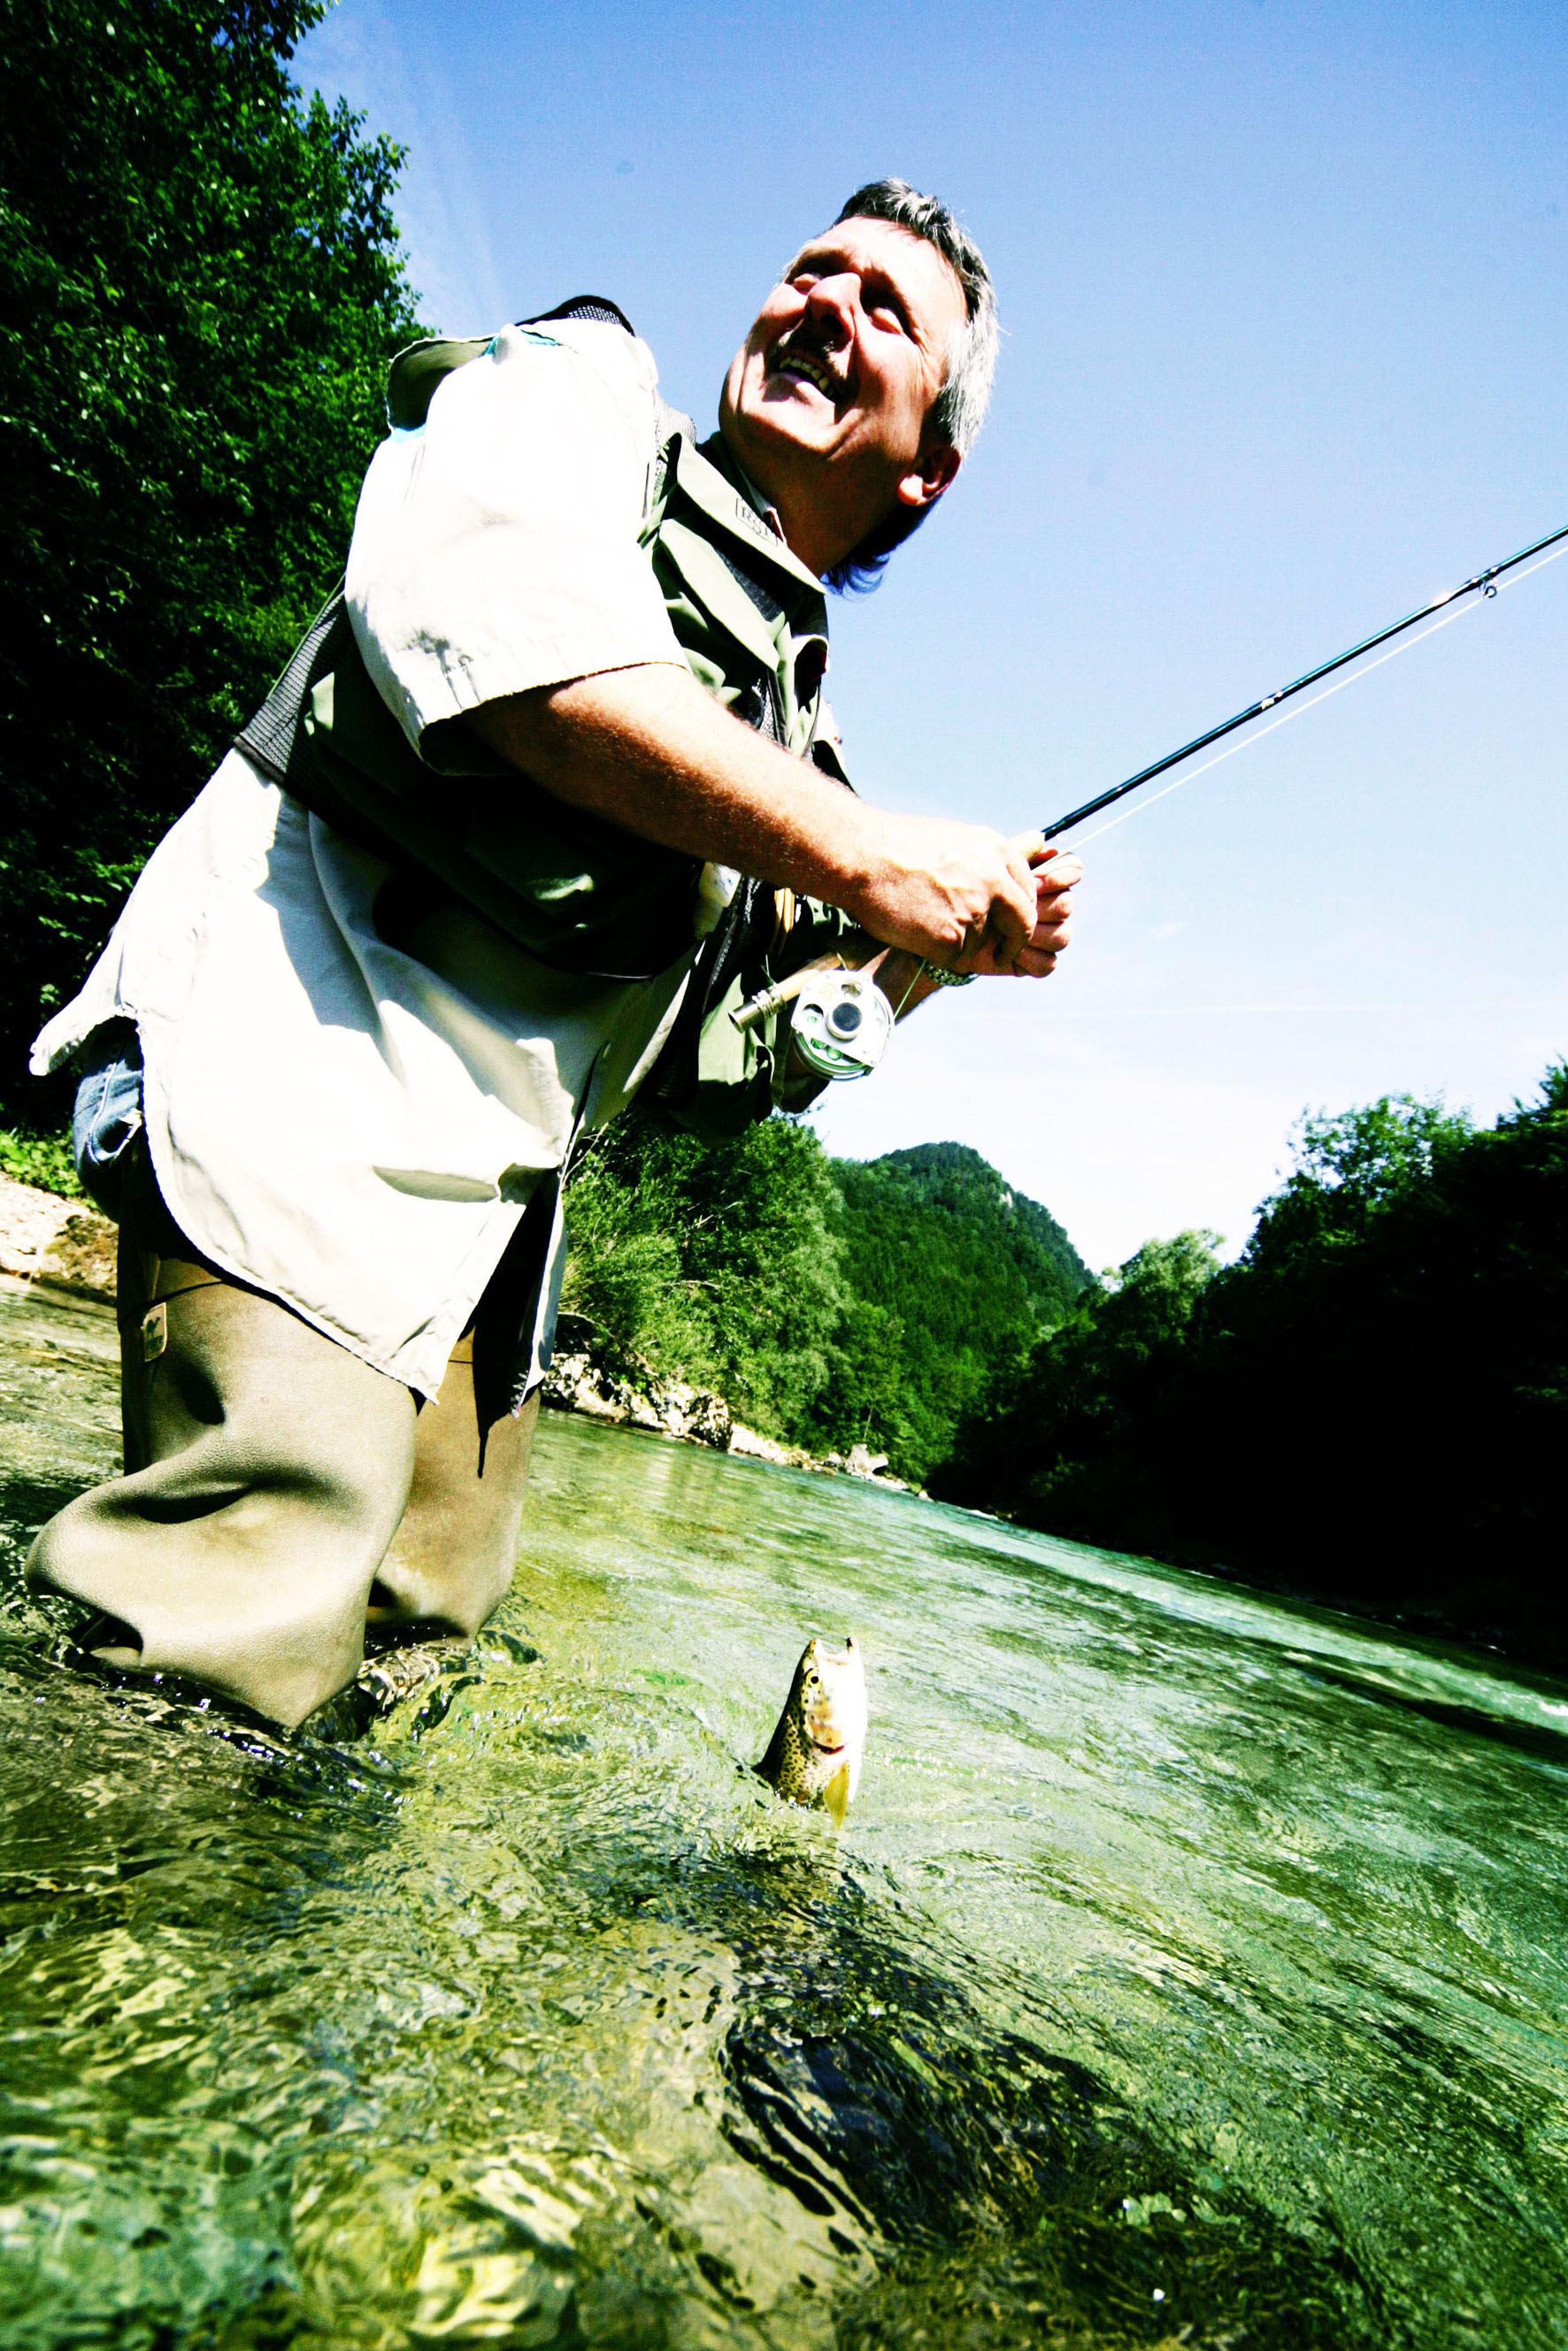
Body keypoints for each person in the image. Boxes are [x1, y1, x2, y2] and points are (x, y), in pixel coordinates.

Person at [26, 179, 1081, 1729]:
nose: (825, 307)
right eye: (815, 269)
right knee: (223, 1648)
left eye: (884, 310)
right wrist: (869, 858)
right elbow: (501, 641)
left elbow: (715, 1072)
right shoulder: (580, 392)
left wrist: (918, 963)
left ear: (929, 464)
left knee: (419, 1655)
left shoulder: (805, 750)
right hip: (302, 1056)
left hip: (489, 1231)